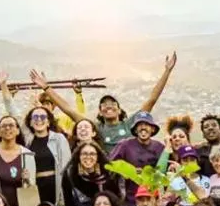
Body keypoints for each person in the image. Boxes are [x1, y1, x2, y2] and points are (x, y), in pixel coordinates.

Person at [29, 55, 175, 155]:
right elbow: (68, 110)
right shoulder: (97, 128)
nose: (108, 106)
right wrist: (46, 88)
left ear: (119, 110)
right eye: (104, 104)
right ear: (100, 112)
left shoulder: (130, 125)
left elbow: (151, 100)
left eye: (112, 103)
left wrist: (167, 71)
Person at [105, 111, 168, 205]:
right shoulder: (124, 145)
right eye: (140, 125)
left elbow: (165, 173)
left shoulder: (160, 148)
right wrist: (126, 171)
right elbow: (109, 165)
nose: (143, 127)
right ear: (135, 130)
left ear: (153, 129)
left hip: (153, 199)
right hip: (130, 200)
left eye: (147, 124)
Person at [0, 71, 83, 137]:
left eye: (47, 104)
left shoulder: (62, 119)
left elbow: (80, 118)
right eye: (42, 104)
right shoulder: (30, 127)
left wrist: (78, 95)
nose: (43, 107)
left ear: (53, 106)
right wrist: (9, 94)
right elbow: (11, 116)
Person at [21, 106, 71, 206]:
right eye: (35, 117)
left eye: (43, 117)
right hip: (35, 187)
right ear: (30, 122)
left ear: (48, 122)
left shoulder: (59, 139)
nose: (39, 119)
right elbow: (14, 114)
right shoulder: (27, 141)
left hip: (57, 186)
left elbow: (67, 165)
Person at [60, 142, 121, 206]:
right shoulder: (69, 175)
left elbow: (116, 201)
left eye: (92, 154)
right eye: (84, 154)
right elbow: (69, 205)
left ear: (98, 157)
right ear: (79, 156)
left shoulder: (108, 174)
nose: (88, 157)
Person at [0, 115, 35, 206]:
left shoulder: (27, 155)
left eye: (11, 125)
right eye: (4, 126)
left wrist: (27, 179)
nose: (7, 128)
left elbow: (32, 187)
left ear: (18, 131)